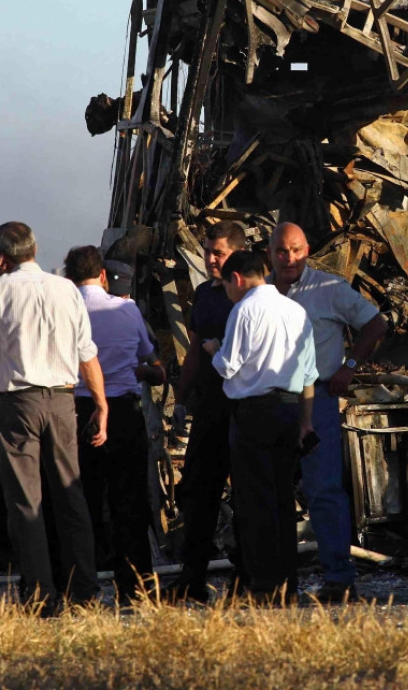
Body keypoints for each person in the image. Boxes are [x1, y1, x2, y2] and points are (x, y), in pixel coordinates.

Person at [0, 222, 107, 611]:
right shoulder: (65, 288)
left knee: (26, 501)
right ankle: (84, 591)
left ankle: (41, 596)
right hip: (62, 399)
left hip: (18, 402)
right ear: (34, 248)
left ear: (1, 258)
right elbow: (86, 350)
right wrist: (101, 402)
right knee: (70, 496)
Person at [269, 222, 388, 602]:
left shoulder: (328, 289)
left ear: (307, 250)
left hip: (317, 399)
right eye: (282, 251)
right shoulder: (260, 293)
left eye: (297, 250)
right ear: (269, 253)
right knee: (269, 492)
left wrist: (349, 367)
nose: (290, 258)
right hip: (269, 402)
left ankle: (339, 579)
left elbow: (375, 323)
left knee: (323, 490)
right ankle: (275, 581)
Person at [202, 251, 317, 602]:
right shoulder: (296, 310)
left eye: (225, 286)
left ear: (237, 278)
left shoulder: (244, 310)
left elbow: (228, 366)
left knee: (255, 503)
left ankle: (265, 587)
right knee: (283, 501)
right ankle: (289, 586)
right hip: (288, 411)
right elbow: (310, 372)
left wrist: (213, 350)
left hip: (254, 413)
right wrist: (305, 423)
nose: (226, 293)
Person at [64, 247, 165, 604]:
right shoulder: (127, 309)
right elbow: (148, 357)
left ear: (67, 276)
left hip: (75, 411)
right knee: (129, 504)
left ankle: (81, 589)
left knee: (80, 503)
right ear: (103, 276)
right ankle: (135, 591)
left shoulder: (62, 309)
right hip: (123, 411)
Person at [166, 220, 247, 602]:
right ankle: (192, 578)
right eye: (208, 251)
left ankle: (246, 578)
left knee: (247, 492)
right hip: (210, 408)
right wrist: (181, 399)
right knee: (199, 491)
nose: (211, 259)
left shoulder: (251, 296)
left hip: (244, 408)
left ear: (237, 254)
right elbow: (196, 350)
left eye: (219, 253)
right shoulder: (204, 294)